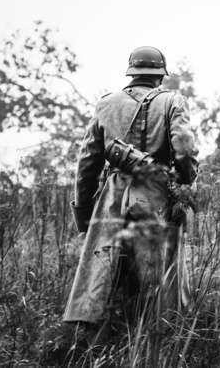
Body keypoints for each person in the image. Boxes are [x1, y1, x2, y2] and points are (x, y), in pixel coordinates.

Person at [63, 46, 199, 346]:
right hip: (156, 197)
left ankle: (96, 352)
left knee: (102, 277)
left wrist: (84, 215)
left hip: (111, 200)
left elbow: (87, 164)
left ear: (132, 72)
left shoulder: (106, 104)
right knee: (159, 282)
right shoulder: (173, 101)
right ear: (160, 76)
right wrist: (184, 182)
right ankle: (153, 348)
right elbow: (186, 151)